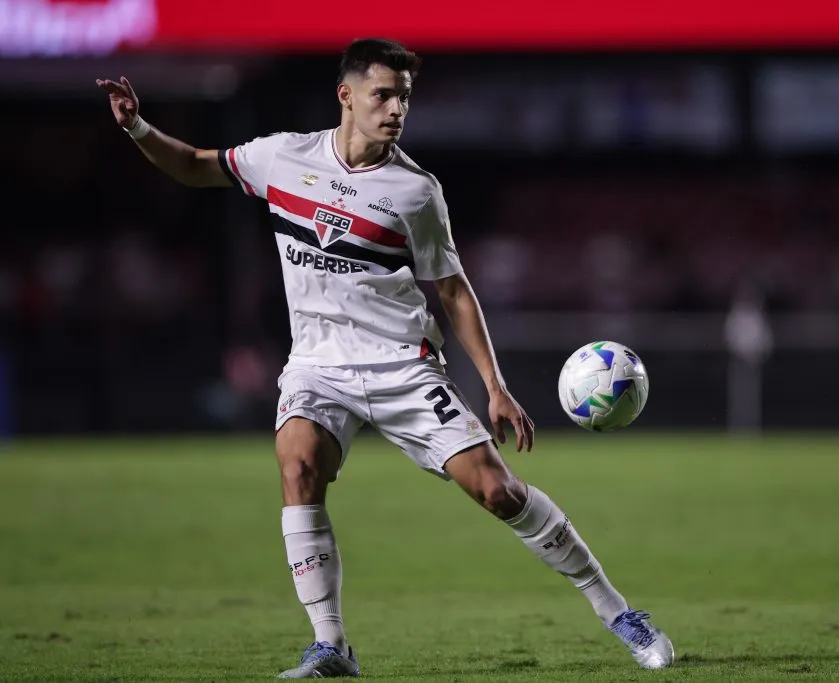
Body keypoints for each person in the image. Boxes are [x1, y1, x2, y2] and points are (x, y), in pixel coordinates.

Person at [96, 38, 674, 679]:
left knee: (498, 491)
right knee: (297, 466)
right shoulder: (283, 157)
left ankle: (620, 613)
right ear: (346, 96)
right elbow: (198, 164)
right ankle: (331, 646)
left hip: (402, 365)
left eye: (404, 96)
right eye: (383, 94)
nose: (396, 107)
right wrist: (139, 128)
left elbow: (452, 289)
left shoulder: (416, 192)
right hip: (318, 364)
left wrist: (495, 385)